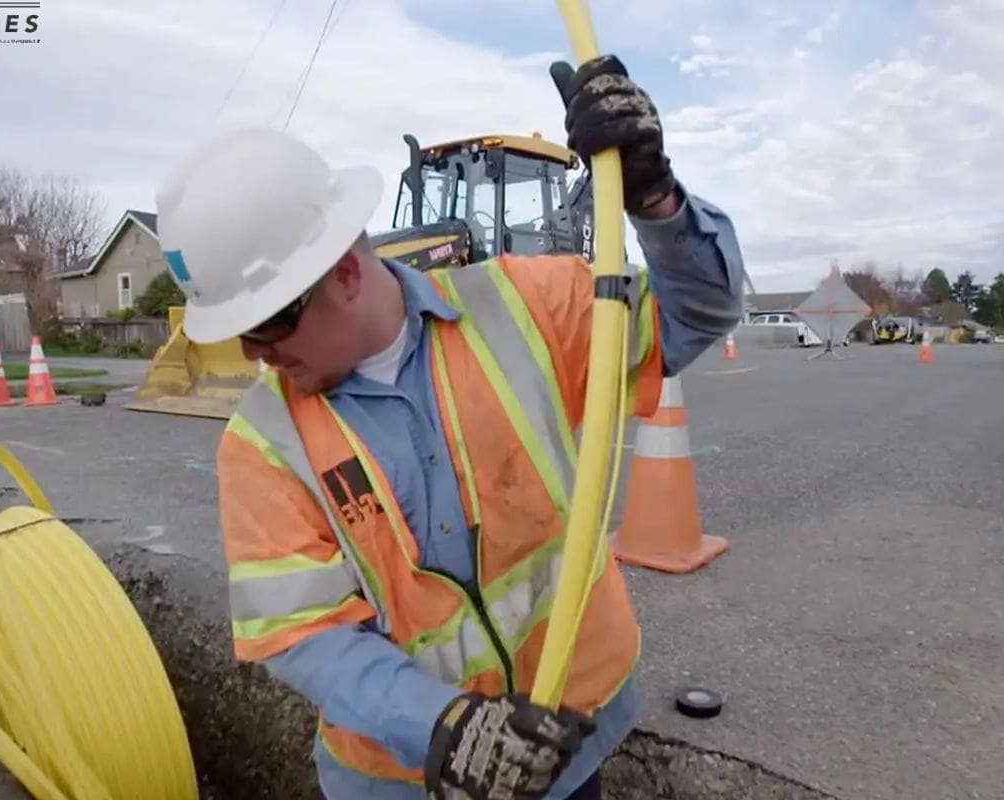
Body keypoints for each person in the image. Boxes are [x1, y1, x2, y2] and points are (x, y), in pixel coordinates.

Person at [156, 55, 745, 800]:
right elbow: (305, 634)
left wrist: (655, 200)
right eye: (237, 331)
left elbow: (701, 312)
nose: (254, 354)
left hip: (570, 747)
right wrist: (443, 729)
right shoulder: (262, 445)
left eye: (268, 321)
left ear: (343, 270)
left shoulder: (530, 309)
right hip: (402, 781)